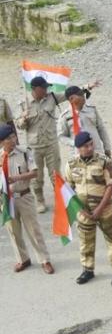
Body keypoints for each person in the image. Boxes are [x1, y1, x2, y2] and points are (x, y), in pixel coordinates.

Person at [66, 131, 112, 286]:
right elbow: (69, 189)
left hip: (104, 210)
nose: (90, 148)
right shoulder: (71, 164)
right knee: (86, 242)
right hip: (83, 212)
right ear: (78, 148)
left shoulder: (104, 161)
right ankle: (87, 270)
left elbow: (111, 186)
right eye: (86, 146)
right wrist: (80, 209)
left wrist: (99, 208)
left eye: (91, 144)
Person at [1, 124, 53, 274]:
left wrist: (15, 178)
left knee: (34, 230)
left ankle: (44, 259)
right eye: (9, 138)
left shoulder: (24, 152)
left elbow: (34, 173)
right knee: (13, 231)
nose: (13, 140)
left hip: (24, 196)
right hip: (7, 200)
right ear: (2, 142)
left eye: (13, 136)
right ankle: (23, 259)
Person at [16, 75, 64, 213]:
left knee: (56, 174)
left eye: (46, 87)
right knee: (36, 177)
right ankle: (40, 201)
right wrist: (23, 119)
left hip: (51, 143)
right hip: (34, 146)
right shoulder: (24, 103)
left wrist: (87, 87)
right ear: (35, 89)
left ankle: (60, 201)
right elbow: (19, 125)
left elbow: (69, 94)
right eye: (43, 88)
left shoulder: (52, 97)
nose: (45, 89)